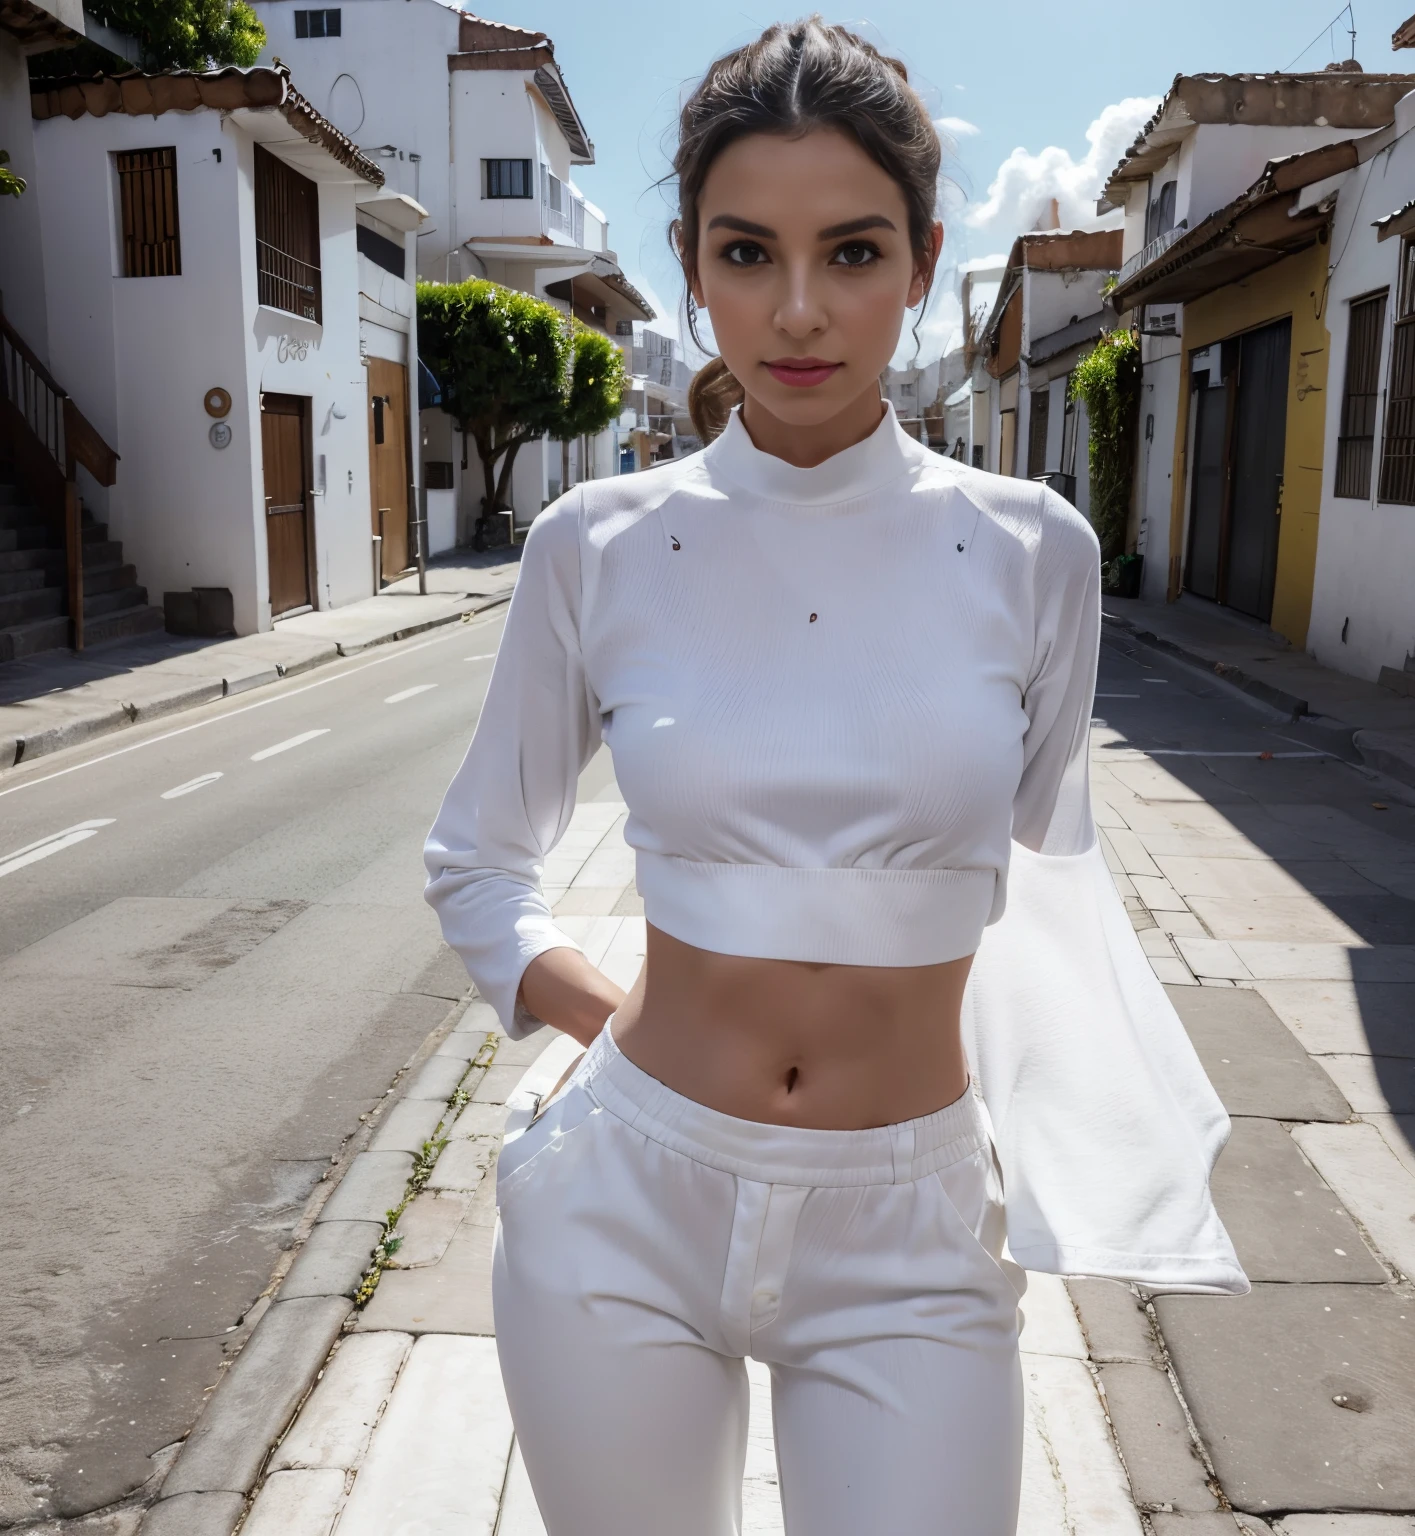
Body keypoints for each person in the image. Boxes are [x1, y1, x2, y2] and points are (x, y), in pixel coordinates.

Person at [425, 18, 1245, 1536]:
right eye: (747, 254)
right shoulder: (595, 546)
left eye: (853, 254)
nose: (798, 312)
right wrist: (612, 1027)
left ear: (925, 261)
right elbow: (477, 859)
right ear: (690, 261)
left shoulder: (1036, 554)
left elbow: (1032, 872)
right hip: (627, 1208)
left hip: (912, 1229)